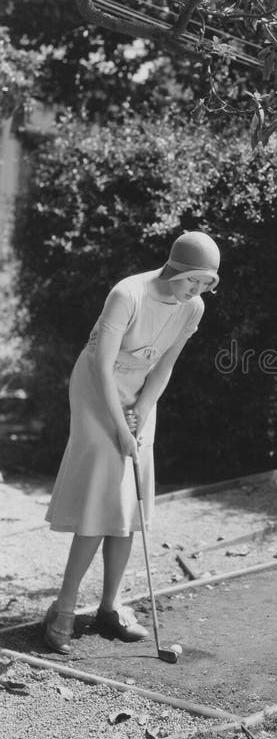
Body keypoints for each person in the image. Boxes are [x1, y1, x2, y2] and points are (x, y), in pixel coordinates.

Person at [42, 231, 220, 654]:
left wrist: (140, 411)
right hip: (96, 389)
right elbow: (102, 365)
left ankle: (111, 607)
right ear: (174, 269)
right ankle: (63, 607)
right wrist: (120, 428)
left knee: (129, 497)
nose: (195, 290)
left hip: (140, 394)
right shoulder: (127, 294)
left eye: (205, 283)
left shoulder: (193, 307)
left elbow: (165, 366)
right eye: (192, 280)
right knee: (103, 493)